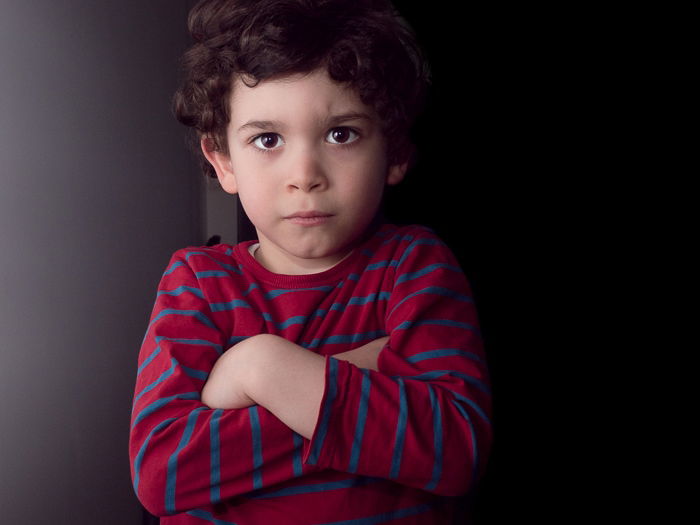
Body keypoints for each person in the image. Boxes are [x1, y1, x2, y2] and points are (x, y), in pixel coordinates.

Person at [129, 0, 492, 523]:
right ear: (223, 161)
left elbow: (455, 453)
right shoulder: (197, 282)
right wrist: (360, 371)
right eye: (268, 139)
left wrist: (261, 371)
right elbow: (163, 474)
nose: (305, 175)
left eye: (341, 133)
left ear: (393, 153)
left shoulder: (415, 265)